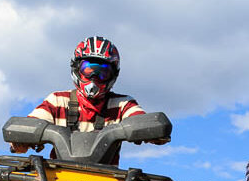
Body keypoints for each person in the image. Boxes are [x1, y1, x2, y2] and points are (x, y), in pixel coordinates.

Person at [9, 36, 166, 165]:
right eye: (88, 69)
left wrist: (152, 132)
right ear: (77, 69)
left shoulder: (122, 104)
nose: (94, 78)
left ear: (113, 75)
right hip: (54, 180)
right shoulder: (57, 101)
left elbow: (141, 120)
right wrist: (21, 141)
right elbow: (31, 124)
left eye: (103, 72)